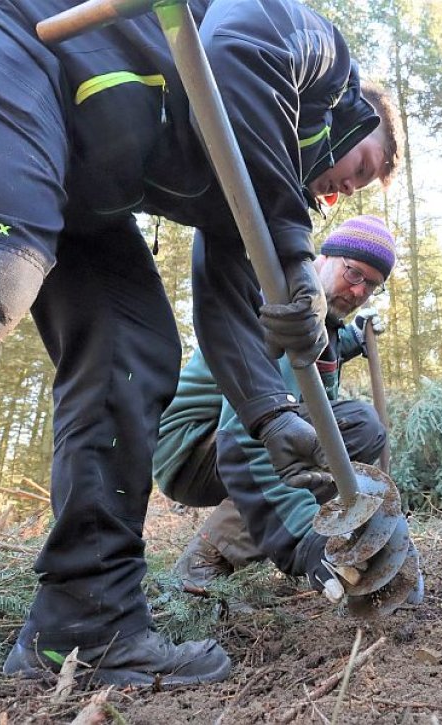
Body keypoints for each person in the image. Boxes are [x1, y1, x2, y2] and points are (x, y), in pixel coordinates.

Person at [0, 0, 397, 686]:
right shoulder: (319, 57)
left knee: (131, 349)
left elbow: (225, 298)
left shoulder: (256, 172)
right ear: (359, 114)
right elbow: (238, 43)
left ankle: (84, 626)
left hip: (83, 172)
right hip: (1, 47)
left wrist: (271, 416)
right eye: (360, 169)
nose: (340, 193)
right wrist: (294, 243)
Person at [154, 216, 394, 600]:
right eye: (353, 273)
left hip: (223, 441)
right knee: (356, 429)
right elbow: (250, 438)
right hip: (193, 445)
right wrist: (302, 537)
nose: (359, 290)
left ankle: (221, 549)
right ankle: (208, 556)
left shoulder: (321, 321)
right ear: (324, 257)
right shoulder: (284, 311)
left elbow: (322, 352)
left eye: (371, 286)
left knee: (347, 431)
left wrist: (353, 338)